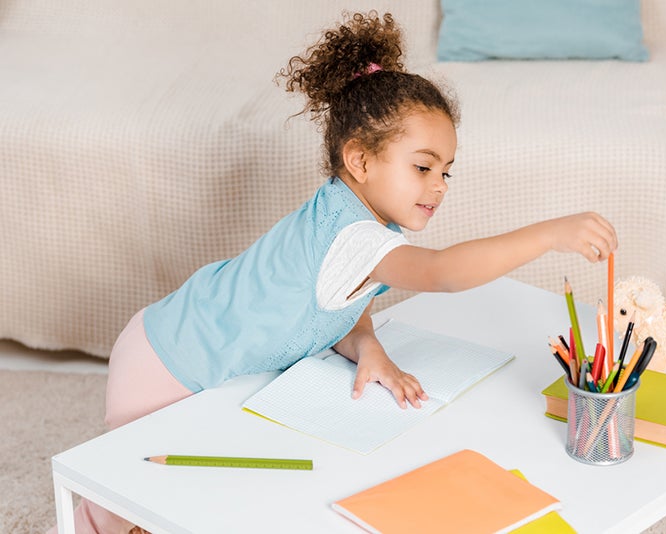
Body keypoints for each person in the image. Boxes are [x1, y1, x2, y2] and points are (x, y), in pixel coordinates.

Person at [51, 11, 617, 533]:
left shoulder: (354, 223)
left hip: (175, 340)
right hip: (164, 363)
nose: (439, 186)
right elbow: (444, 272)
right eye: (423, 168)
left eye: (447, 171)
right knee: (124, 499)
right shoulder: (355, 235)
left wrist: (365, 341)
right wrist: (550, 234)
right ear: (360, 160)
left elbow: (340, 293)